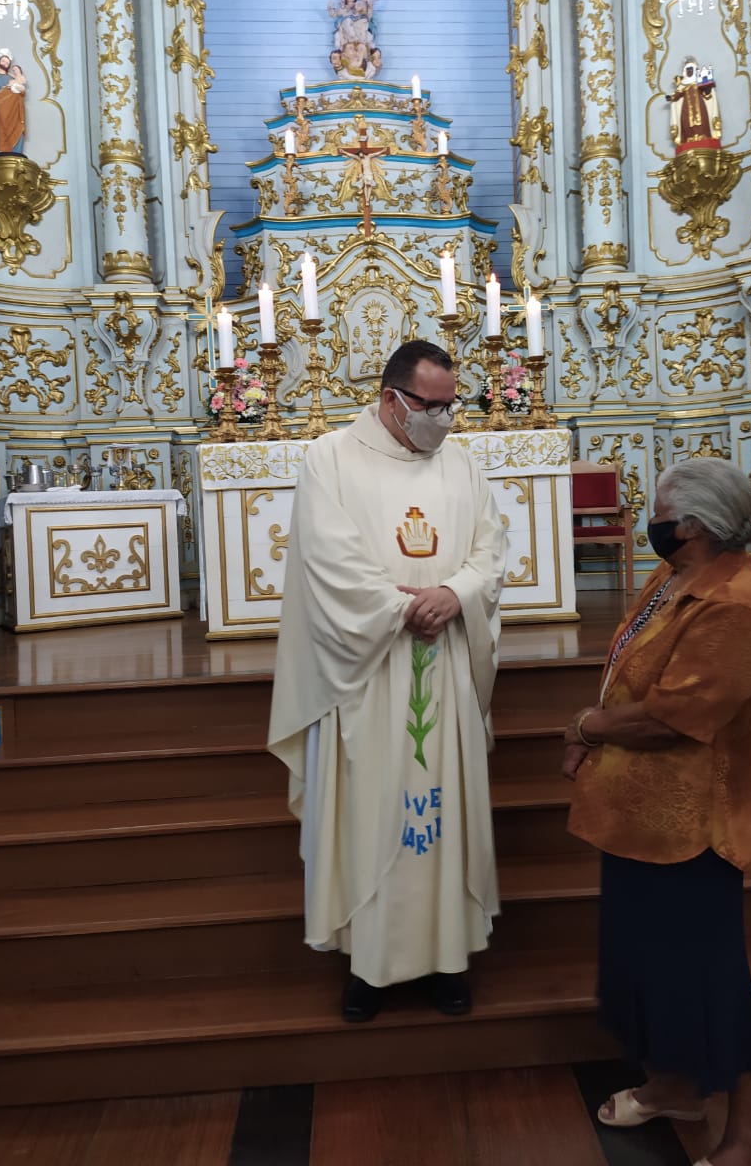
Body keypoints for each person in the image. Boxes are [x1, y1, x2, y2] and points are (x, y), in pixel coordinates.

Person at [268, 340, 506, 1023]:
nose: (443, 419)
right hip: (369, 672)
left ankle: (449, 959)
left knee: (442, 810)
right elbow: (328, 559)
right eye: (429, 406)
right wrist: (404, 607)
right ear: (390, 399)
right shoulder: (331, 459)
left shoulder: (461, 461)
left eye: (450, 405)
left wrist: (456, 592)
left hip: (447, 658)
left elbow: (491, 548)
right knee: (375, 814)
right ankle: (368, 965)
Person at [562, 458, 751, 1166]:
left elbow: (676, 718)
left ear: (688, 524)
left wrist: (591, 726)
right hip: (640, 817)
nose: (649, 518)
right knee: (649, 965)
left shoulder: (736, 604)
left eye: (658, 509)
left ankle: (750, 1139)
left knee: (710, 979)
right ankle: (673, 1086)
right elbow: (634, 663)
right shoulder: (677, 577)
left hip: (697, 827)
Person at [667, 57, 721, 155]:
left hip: (700, 107)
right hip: (686, 108)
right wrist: (671, 98)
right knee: (686, 122)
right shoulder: (683, 85)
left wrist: (708, 90)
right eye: (688, 70)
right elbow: (678, 94)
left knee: (703, 121)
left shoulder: (700, 82)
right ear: (685, 71)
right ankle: (689, 139)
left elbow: (707, 95)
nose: (689, 72)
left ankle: (703, 137)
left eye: (691, 70)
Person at [0, 48, 26, 155]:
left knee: (18, 126)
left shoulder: (10, 78)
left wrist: (19, 89)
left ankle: (17, 152)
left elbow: (21, 90)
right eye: (3, 61)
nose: (5, 63)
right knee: (4, 127)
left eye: (8, 62)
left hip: (15, 106)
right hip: (3, 105)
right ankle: (6, 151)